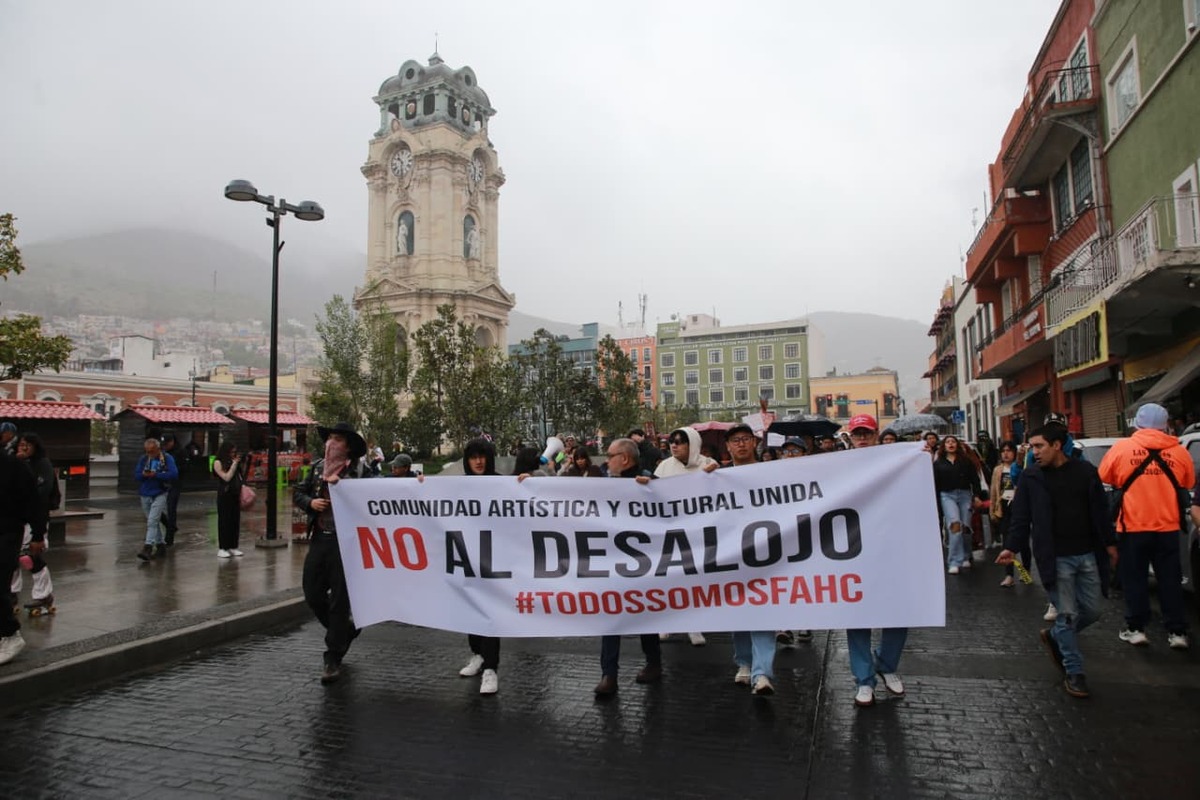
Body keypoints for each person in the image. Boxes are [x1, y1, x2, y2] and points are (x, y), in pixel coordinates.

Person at [997, 425, 1117, 699]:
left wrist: (1110, 544)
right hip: (1054, 556)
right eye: (1032, 447)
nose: (1034, 452)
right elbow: (1021, 517)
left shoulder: (1085, 472)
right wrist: (1011, 548)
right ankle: (1074, 672)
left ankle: (1055, 636)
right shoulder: (1031, 477)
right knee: (1067, 613)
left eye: (1039, 446)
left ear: (1057, 445)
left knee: (1093, 610)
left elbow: (1100, 511)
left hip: (1087, 553)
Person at [1098, 403, 1194, 650]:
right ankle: (1177, 632)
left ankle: (1136, 629)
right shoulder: (1180, 451)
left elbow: (1105, 476)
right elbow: (1188, 482)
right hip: (1168, 527)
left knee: (1135, 579)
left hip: (1133, 527)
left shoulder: (1122, 448)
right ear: (1166, 425)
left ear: (1137, 424)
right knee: (1170, 580)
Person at [294, 422, 370, 684]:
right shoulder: (317, 468)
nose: (331, 444)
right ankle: (344, 631)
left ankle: (333, 657)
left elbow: (375, 499)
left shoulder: (359, 472)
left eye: (338, 439)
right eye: (330, 439)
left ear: (348, 447)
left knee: (339, 600)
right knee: (312, 592)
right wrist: (310, 503)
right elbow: (298, 493)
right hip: (320, 539)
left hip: (346, 544)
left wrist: (344, 486)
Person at [843, 414, 908, 708]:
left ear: (876, 434)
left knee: (899, 611)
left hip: (890, 546)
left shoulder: (896, 461)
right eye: (857, 434)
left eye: (866, 433)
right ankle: (864, 679)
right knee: (858, 616)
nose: (862, 439)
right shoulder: (835, 467)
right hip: (853, 548)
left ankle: (886, 664)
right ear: (850, 436)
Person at [594, 438, 663, 697]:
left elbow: (677, 501)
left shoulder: (649, 480)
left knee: (645, 615)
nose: (605, 461)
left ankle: (654, 663)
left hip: (644, 565)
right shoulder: (606, 483)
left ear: (624, 459)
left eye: (610, 455)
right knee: (612, 619)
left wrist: (654, 490)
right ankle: (608, 674)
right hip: (613, 564)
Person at [722, 424, 778, 695]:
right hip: (732, 555)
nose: (741, 444)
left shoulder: (773, 473)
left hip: (766, 553)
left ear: (755, 442)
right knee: (738, 610)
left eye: (745, 439)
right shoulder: (718, 476)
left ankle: (762, 672)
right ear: (728, 447)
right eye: (735, 441)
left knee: (763, 608)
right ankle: (744, 662)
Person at [654, 427, 718, 647]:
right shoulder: (664, 467)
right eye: (672, 441)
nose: (674, 445)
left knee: (694, 579)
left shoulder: (707, 464)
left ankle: (694, 625)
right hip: (671, 531)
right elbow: (652, 495)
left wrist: (716, 473)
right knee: (671, 578)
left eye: (680, 441)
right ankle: (668, 623)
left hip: (698, 531)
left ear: (692, 444)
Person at [455, 438, 503, 695]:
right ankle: (478, 655)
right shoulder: (460, 485)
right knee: (471, 611)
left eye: (482, 456)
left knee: (489, 615)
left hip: (494, 561)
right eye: (473, 457)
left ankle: (491, 668)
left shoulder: (501, 483)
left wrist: (527, 482)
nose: (478, 461)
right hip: (467, 558)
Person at [0, 445, 46, 665]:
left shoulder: (14, 467)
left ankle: (10, 633)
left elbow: (34, 502)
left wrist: (38, 535)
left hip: (7, 531)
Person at [10, 433, 58, 615]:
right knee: (11, 557)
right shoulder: (14, 462)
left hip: (34, 517)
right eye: (21, 444)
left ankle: (44, 594)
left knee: (29, 556)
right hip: (15, 517)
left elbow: (41, 490)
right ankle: (12, 592)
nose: (23, 448)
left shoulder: (42, 464)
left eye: (27, 445)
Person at [934, 435, 984, 575]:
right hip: (947, 495)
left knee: (966, 526)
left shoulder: (966, 461)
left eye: (953, 442)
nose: (950, 444)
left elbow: (975, 479)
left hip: (964, 495)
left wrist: (977, 495)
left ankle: (966, 554)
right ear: (943, 446)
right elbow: (935, 483)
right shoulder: (938, 464)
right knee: (955, 526)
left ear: (957, 445)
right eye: (948, 442)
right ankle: (954, 561)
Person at [134, 437, 178, 561]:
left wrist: (157, 475)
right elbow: (136, 475)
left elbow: (174, 474)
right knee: (153, 521)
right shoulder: (144, 459)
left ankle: (148, 546)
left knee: (152, 521)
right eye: (147, 451)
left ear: (158, 449)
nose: (150, 454)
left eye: (152, 451)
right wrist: (144, 474)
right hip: (145, 493)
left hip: (160, 492)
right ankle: (160, 545)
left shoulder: (167, 458)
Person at [991, 440, 1026, 587]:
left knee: (1023, 542)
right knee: (1007, 542)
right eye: (1003, 451)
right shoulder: (998, 470)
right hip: (1004, 506)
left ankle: (1025, 572)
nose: (1006, 453)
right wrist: (993, 510)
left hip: (1019, 506)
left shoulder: (1021, 468)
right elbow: (994, 491)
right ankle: (1009, 575)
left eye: (1009, 450)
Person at [212, 440, 247, 559]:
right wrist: (234, 464)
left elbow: (240, 476)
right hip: (224, 495)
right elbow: (226, 477)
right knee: (224, 521)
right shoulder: (218, 462)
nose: (233, 454)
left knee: (234, 521)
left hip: (235, 494)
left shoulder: (233, 462)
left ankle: (233, 545)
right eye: (231, 452)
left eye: (234, 452)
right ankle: (223, 547)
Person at [161, 434, 183, 546]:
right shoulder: (162, 453)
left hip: (174, 483)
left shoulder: (179, 453)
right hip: (163, 483)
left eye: (167, 443)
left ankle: (169, 537)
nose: (165, 446)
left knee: (171, 509)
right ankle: (171, 526)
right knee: (157, 508)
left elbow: (183, 468)